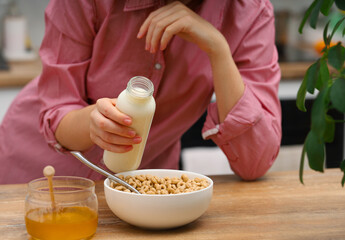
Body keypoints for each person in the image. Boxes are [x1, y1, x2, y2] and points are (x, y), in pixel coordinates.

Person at [0, 0, 281, 184]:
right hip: (34, 173)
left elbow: (255, 163)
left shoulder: (250, 12)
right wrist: (93, 123)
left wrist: (218, 49)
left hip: (136, 188)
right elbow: (58, 110)